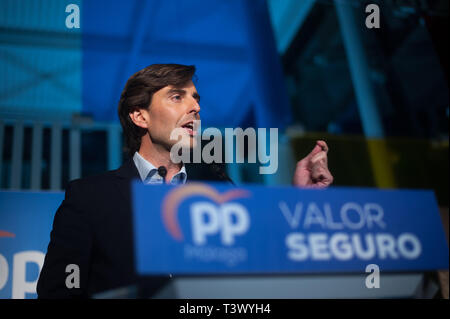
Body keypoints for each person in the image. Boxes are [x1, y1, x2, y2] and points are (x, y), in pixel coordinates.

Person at [37, 64, 333, 298]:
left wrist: (301, 200)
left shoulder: (220, 190)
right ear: (140, 117)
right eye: (178, 97)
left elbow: (262, 264)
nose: (195, 108)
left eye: (196, 99)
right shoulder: (89, 196)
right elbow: (58, 293)